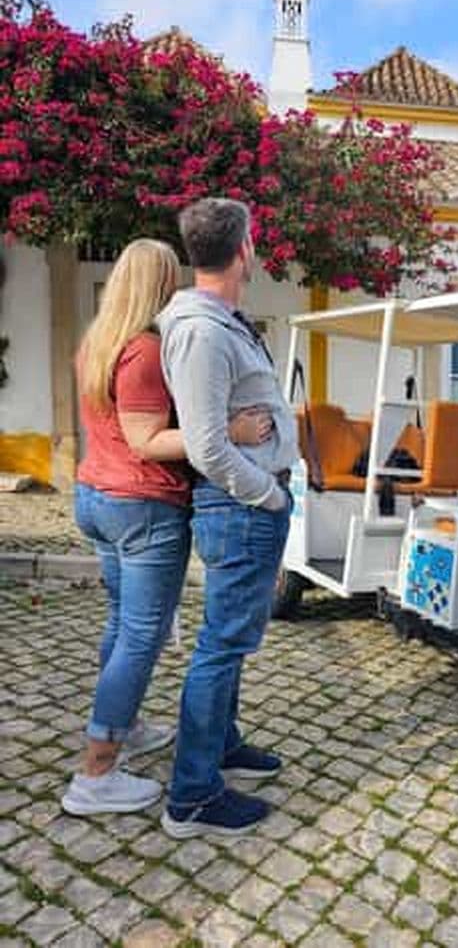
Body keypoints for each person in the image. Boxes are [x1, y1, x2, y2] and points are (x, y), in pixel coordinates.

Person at [62, 239, 270, 817]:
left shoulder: (97, 344)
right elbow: (146, 440)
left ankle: (119, 729)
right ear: (158, 284)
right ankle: (97, 773)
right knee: (140, 638)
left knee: (121, 626)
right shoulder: (146, 350)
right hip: (143, 507)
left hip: (97, 497)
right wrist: (230, 430)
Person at [158, 198, 298, 838]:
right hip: (242, 506)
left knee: (232, 639)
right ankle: (191, 796)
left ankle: (220, 744)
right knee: (221, 645)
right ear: (242, 250)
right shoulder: (201, 331)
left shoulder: (222, 322)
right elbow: (208, 444)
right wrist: (268, 495)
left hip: (249, 502)